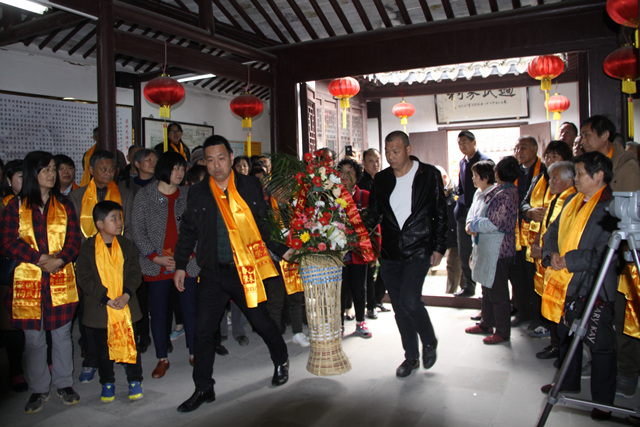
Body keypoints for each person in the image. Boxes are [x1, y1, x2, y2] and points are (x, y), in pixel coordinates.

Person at [173, 135, 293, 412]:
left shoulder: (249, 186)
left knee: (262, 322)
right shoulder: (199, 191)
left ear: (231, 157)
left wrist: (281, 249)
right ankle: (203, 387)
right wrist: (181, 265)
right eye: (210, 160)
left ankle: (281, 360)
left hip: (245, 270)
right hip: (213, 273)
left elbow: (263, 224)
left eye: (221, 158)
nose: (216, 166)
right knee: (203, 332)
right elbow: (188, 231)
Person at [0, 151, 81, 413]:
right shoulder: (15, 206)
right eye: (46, 169)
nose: (51, 174)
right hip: (29, 280)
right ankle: (39, 388)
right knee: (33, 340)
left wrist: (60, 260)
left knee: (61, 336)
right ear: (33, 173)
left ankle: (64, 383)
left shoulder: (65, 204)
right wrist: (39, 258)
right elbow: (8, 242)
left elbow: (73, 240)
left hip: (60, 275)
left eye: (53, 169)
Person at [540, 151, 618, 421]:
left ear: (599, 176)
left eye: (582, 173)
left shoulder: (611, 206)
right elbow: (552, 231)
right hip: (566, 282)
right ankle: (567, 381)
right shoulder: (573, 199)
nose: (576, 178)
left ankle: (605, 401)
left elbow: (606, 252)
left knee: (600, 343)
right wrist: (551, 255)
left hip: (594, 286)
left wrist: (568, 261)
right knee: (566, 334)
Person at [369, 131, 447, 378]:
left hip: (419, 247)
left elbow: (440, 213)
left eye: (396, 151)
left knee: (410, 301)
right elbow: (373, 214)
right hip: (390, 251)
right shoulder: (381, 179)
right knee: (400, 309)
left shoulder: (429, 174)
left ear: (408, 149)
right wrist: (350, 228)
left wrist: (439, 247)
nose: (391, 157)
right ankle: (410, 357)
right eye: (387, 152)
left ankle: (429, 340)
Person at [580, 115, 640, 399]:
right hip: (601, 244)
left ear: (605, 136)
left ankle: (627, 372)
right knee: (602, 308)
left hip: (625, 249)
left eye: (588, 135)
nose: (583, 141)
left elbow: (626, 214)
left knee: (625, 313)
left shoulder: (626, 165)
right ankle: (604, 361)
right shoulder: (589, 162)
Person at [131, 152, 198, 379]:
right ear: (164, 169)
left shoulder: (188, 195)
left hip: (186, 264)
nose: (179, 174)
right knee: (159, 313)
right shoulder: (145, 195)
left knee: (190, 310)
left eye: (182, 169)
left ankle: (194, 352)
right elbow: (137, 231)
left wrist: (188, 254)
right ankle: (162, 358)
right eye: (175, 169)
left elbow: (198, 228)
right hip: (156, 265)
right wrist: (155, 256)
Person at [75, 201, 144, 402]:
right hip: (100, 308)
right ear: (99, 224)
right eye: (113, 218)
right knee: (102, 350)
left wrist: (126, 294)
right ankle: (107, 382)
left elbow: (134, 273)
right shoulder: (87, 248)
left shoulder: (126, 245)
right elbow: (85, 278)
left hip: (125, 304)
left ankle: (134, 379)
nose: (119, 222)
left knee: (131, 344)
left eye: (120, 218)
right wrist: (105, 298)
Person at [70, 150, 129, 382]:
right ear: (91, 170)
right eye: (102, 169)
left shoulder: (124, 193)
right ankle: (91, 358)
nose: (108, 173)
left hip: (119, 260)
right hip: (91, 264)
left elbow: (129, 225)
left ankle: (123, 356)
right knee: (92, 316)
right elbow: (74, 232)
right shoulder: (77, 196)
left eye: (112, 169)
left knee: (121, 311)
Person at [520, 140, 572, 337]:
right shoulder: (539, 178)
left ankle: (556, 334)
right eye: (548, 156)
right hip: (533, 240)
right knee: (535, 282)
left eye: (554, 157)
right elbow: (524, 203)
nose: (549, 160)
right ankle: (541, 321)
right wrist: (529, 211)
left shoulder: (570, 189)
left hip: (556, 249)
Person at [464, 157, 519, 344]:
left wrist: (474, 224)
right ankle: (486, 322)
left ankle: (502, 332)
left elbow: (496, 223)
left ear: (497, 174)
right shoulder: (500, 191)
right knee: (487, 287)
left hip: (499, 249)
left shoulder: (506, 194)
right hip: (489, 248)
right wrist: (472, 224)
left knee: (499, 292)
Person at [531, 161, 576, 361]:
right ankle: (556, 345)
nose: (550, 182)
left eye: (555, 178)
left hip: (564, 264)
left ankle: (563, 351)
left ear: (569, 180)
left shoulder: (573, 199)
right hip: (549, 257)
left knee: (563, 312)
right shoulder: (558, 198)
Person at [511, 136, 546, 327]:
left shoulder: (544, 172)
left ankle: (537, 316)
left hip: (535, 233)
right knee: (518, 276)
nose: (519, 152)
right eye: (517, 149)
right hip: (517, 233)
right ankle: (522, 312)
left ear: (535, 148)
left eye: (523, 148)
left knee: (534, 275)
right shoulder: (516, 172)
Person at [454, 130, 492, 298]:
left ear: (474, 142)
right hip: (463, 214)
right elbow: (461, 188)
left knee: (481, 253)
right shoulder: (463, 162)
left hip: (480, 214)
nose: (462, 146)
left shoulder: (484, 162)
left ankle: (485, 290)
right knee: (464, 252)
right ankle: (469, 286)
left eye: (465, 142)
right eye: (460, 143)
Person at [338, 158, 372, 338]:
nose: (345, 177)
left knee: (360, 287)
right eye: (341, 173)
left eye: (349, 173)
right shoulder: (332, 196)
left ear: (357, 176)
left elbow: (374, 226)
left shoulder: (365, 196)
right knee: (341, 288)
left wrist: (374, 251)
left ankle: (361, 321)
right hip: (339, 251)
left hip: (360, 249)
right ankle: (340, 324)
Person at [435, 165, 461, 294]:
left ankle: (454, 292)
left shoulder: (456, 192)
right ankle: (454, 292)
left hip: (456, 234)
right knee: (454, 264)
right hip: (444, 234)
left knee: (453, 263)